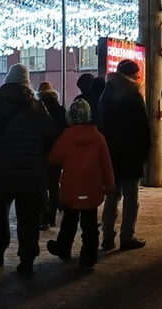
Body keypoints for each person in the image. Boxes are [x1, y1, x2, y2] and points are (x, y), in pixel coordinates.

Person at [0, 63, 57, 277]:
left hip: (3, 172)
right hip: (31, 173)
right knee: (28, 219)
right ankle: (27, 260)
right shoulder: (38, 107)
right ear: (27, 83)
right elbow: (50, 136)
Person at [46, 99, 115, 270]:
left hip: (71, 188)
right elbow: (106, 163)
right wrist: (110, 185)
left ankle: (63, 248)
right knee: (90, 226)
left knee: (69, 221)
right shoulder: (98, 137)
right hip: (92, 189)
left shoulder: (67, 136)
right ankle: (89, 258)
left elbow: (54, 158)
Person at [97, 60, 151, 252]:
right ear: (131, 75)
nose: (139, 77)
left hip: (111, 153)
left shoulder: (106, 94)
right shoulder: (134, 94)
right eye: (137, 74)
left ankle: (107, 237)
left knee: (112, 196)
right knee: (130, 197)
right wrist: (146, 150)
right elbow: (143, 126)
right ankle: (127, 236)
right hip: (131, 153)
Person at [38, 81, 67, 230]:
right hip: (57, 151)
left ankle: (44, 217)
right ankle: (53, 216)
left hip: (41, 152)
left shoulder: (36, 108)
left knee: (42, 186)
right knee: (54, 185)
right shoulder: (60, 110)